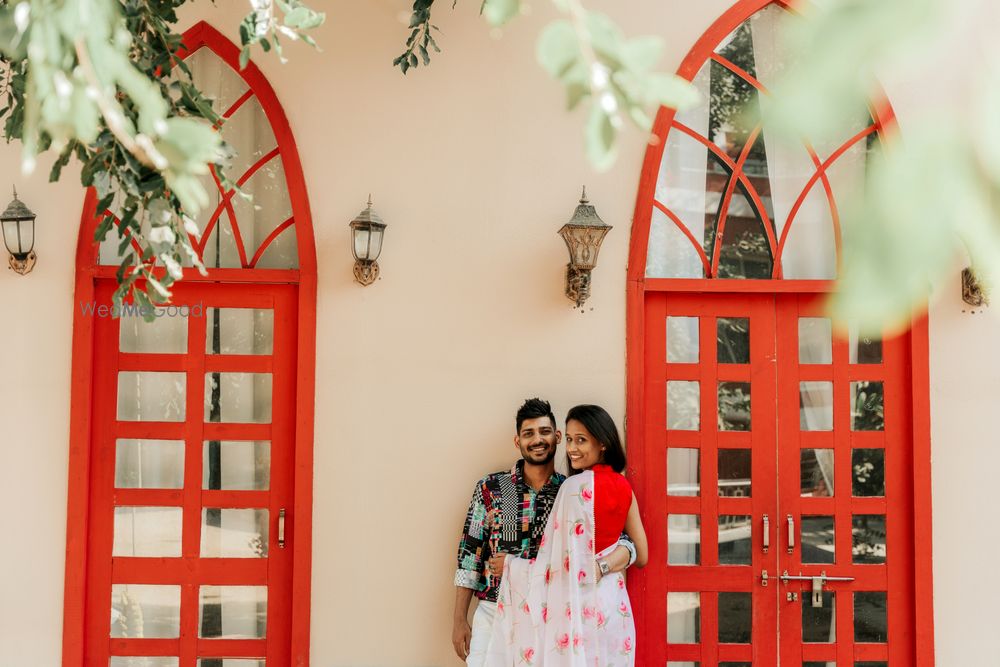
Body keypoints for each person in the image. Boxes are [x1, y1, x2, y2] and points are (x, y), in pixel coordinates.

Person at [453, 399, 637, 666]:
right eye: (529, 433)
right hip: (494, 610)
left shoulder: (571, 489)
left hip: (547, 616)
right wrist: (460, 620)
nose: (537, 440)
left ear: (557, 437)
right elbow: (469, 555)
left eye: (544, 432)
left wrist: (601, 565)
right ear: (518, 441)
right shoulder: (491, 487)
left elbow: (621, 543)